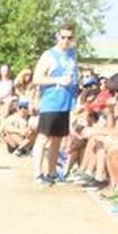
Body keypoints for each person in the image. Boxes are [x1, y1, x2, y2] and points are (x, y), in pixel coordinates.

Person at [32, 25, 79, 185]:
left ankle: (52, 172)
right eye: (63, 37)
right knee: (43, 138)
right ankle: (38, 173)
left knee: (57, 139)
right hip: (51, 102)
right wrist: (57, 80)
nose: (66, 41)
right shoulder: (49, 55)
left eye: (69, 37)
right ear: (57, 37)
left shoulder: (72, 55)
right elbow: (36, 78)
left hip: (66, 103)